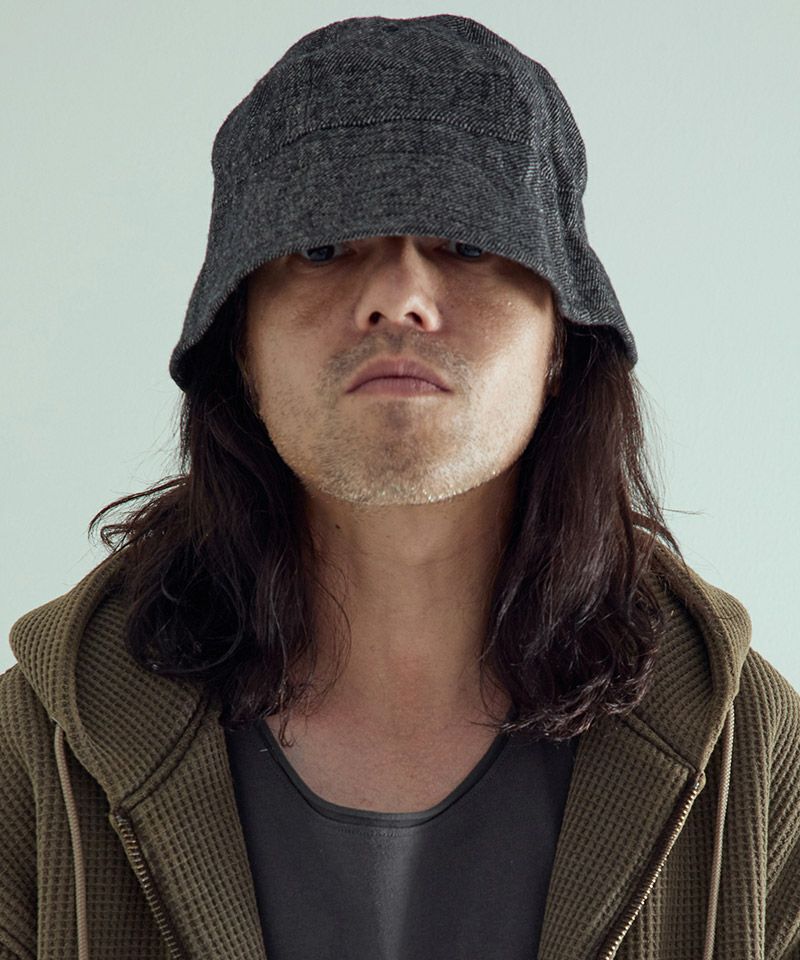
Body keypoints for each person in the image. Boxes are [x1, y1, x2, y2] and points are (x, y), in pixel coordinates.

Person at [1, 14, 798, 960]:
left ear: (561, 339)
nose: (400, 297)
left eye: (466, 242)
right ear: (238, 339)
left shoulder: (750, 754)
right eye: (321, 247)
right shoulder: (41, 749)